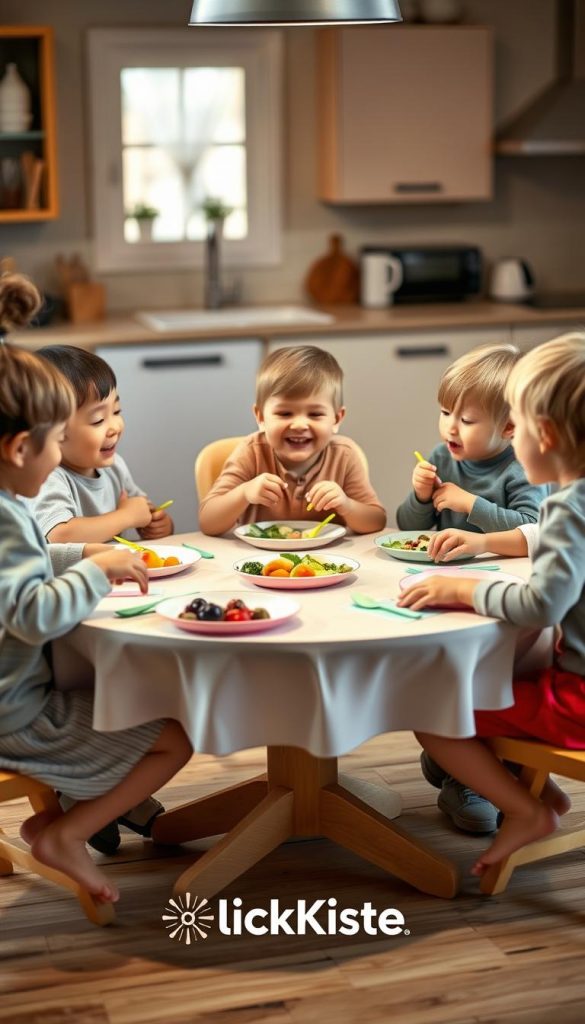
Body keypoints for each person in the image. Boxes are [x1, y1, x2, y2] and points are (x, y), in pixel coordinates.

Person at [0, 276, 192, 903]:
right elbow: (31, 616)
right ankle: (68, 831)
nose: (60, 456)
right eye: (56, 441)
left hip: (20, 692)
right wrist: (96, 567)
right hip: (15, 712)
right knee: (174, 736)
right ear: (19, 446)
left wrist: (100, 554)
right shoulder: (11, 521)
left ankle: (80, 811)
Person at [397, 333, 585, 877]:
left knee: (433, 710)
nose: (511, 438)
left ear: (542, 435)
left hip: (576, 701)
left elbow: (542, 602)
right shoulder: (574, 504)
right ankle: (538, 795)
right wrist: (480, 543)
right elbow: (532, 539)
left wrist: (462, 590)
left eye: (517, 428)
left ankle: (526, 810)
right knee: (500, 670)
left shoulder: (570, 511)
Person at [199, 345, 386, 536]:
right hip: (262, 561)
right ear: (261, 417)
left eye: (315, 414)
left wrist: (346, 505)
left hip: (329, 562)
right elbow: (208, 522)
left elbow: (376, 521)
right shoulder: (251, 452)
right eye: (284, 413)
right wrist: (244, 493)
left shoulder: (344, 454)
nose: (299, 424)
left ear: (336, 419)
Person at [396, 342, 547, 535]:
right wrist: (422, 497)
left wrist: (471, 505)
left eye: (466, 421)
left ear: (508, 427)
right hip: (451, 565)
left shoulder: (524, 468)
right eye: (445, 412)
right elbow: (407, 528)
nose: (450, 427)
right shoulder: (441, 458)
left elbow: (532, 529)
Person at [31, 345, 174, 544]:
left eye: (116, 411)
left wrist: (157, 523)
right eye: (98, 420)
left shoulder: (115, 467)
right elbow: (60, 536)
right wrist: (127, 517)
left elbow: (140, 508)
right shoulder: (48, 478)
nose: (115, 426)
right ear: (50, 431)